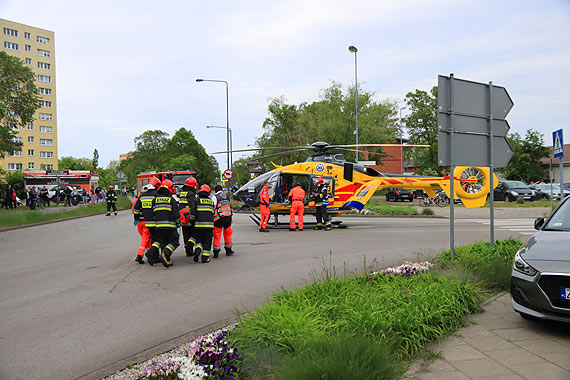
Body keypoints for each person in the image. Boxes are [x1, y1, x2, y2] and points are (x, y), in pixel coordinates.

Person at [145, 179, 180, 267]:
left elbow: (153, 213)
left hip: (158, 226)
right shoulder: (171, 200)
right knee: (175, 241)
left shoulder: (155, 200)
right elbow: (176, 215)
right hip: (170, 226)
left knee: (161, 241)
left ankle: (152, 252)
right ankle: (165, 253)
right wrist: (178, 222)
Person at [133, 177, 161, 264]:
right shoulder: (156, 195)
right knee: (154, 239)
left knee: (147, 240)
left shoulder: (142, 196)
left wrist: (136, 218)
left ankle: (151, 257)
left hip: (141, 223)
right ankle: (148, 255)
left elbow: (136, 208)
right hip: (153, 222)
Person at [188, 184, 215, 263]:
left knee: (199, 240)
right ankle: (205, 258)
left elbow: (193, 212)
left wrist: (191, 222)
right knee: (207, 242)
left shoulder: (196, 200)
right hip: (209, 226)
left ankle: (197, 250)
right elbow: (212, 213)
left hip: (199, 225)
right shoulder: (211, 202)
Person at [212, 185, 234, 258]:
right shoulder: (226, 197)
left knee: (217, 235)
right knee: (228, 234)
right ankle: (228, 250)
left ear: (215, 190)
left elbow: (214, 207)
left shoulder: (215, 197)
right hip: (227, 218)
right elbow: (229, 207)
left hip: (218, 218)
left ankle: (216, 252)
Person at [179, 177, 198, 257]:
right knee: (194, 234)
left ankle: (188, 251)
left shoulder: (182, 193)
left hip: (182, 217)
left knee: (186, 234)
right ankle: (190, 247)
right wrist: (193, 219)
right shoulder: (191, 194)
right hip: (189, 217)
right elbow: (192, 206)